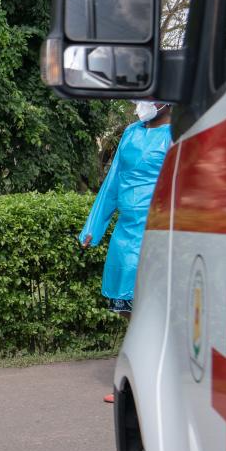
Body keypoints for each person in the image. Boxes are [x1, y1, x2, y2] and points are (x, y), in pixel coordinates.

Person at [79, 100, 174, 315]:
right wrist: (92, 227)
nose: (142, 103)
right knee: (124, 303)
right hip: (126, 231)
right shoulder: (131, 132)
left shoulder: (177, 135)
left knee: (153, 302)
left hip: (157, 229)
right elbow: (112, 183)